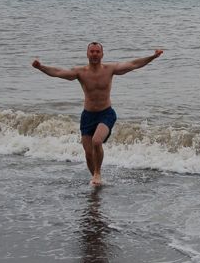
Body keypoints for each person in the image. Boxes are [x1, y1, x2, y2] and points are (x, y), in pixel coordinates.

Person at [32, 42, 164, 185]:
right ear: (87, 54)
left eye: (97, 52)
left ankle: (97, 174)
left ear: (102, 54)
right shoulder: (80, 72)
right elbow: (58, 72)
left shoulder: (109, 69)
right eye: (92, 51)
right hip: (87, 116)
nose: (94, 54)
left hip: (106, 113)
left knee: (96, 141)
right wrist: (41, 67)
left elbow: (133, 64)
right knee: (88, 154)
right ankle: (95, 179)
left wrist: (153, 56)